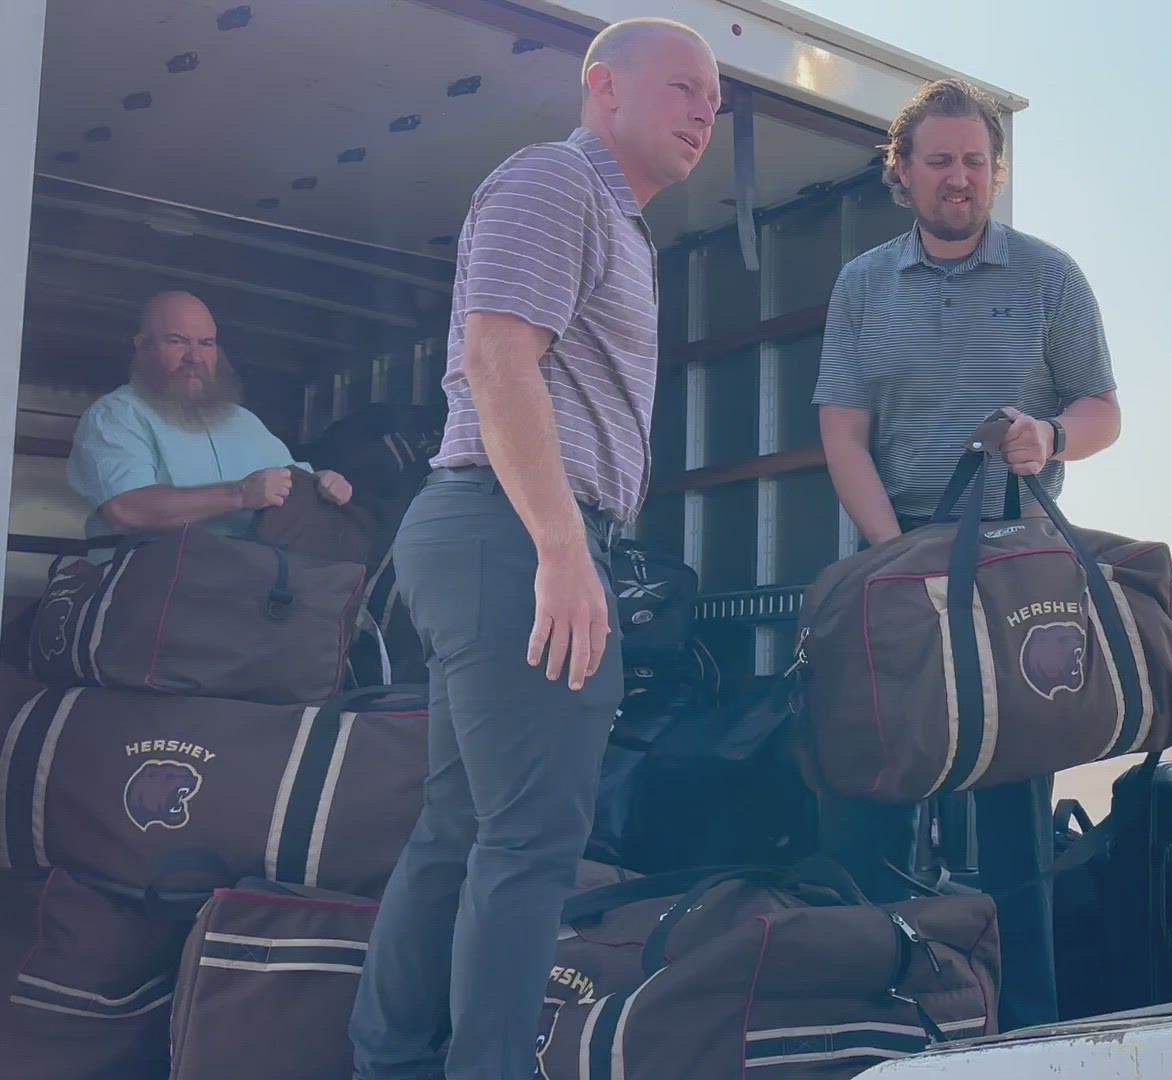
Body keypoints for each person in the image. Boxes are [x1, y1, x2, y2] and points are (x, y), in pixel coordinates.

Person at [346, 18, 716, 1079]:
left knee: (462, 832)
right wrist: (564, 551)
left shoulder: (614, 219)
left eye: (715, 100)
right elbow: (498, 359)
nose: (705, 110)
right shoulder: (557, 182)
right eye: (685, 88)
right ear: (604, 87)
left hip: (501, 534)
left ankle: (390, 1063)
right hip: (515, 535)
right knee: (530, 848)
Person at [811, 77, 1123, 1030]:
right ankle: (886, 1021)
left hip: (1016, 569)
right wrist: (892, 560)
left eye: (976, 163)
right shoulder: (863, 282)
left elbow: (1102, 410)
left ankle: (1027, 1028)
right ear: (902, 173)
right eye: (940, 161)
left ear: (997, 171)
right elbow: (841, 430)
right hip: (899, 556)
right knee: (875, 801)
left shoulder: (1050, 276)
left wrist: (1052, 438)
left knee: (1015, 823)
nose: (960, 178)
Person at [66, 290, 352, 541]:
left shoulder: (244, 422)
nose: (195, 357)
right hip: (151, 587)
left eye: (206, 343)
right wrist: (239, 495)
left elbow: (292, 480)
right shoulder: (117, 415)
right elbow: (126, 509)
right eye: (177, 342)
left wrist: (325, 484)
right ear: (144, 347)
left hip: (242, 585)